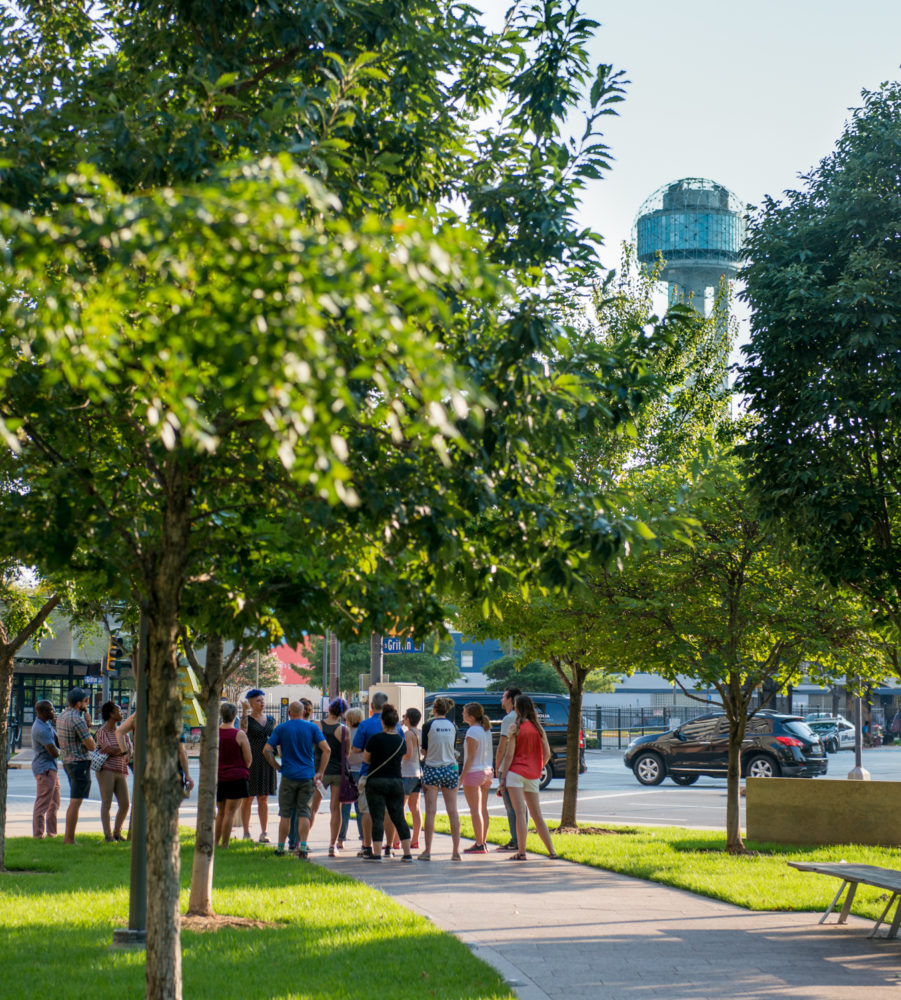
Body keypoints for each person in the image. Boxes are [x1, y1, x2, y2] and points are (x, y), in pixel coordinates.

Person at [264, 700, 330, 859]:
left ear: (289, 713)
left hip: (288, 775)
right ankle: (303, 846)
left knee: (285, 814)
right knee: (304, 813)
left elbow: (266, 750)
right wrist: (320, 771)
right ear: (303, 712)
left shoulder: (281, 728)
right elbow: (327, 749)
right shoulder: (312, 728)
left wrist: (277, 766)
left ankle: (280, 847)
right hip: (307, 776)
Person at [497, 694, 558, 861]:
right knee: (537, 814)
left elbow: (509, 754)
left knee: (519, 813)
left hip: (515, 773)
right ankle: (552, 851)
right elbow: (546, 754)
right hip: (532, 774)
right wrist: (538, 767)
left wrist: (502, 777)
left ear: (517, 708)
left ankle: (522, 852)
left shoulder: (515, 727)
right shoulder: (539, 728)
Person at [352, 691, 404, 859]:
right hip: (394, 774)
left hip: (370, 774)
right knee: (390, 811)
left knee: (367, 810)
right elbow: (402, 748)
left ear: (371, 706)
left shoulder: (365, 725)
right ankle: (389, 846)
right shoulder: (397, 727)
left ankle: (367, 845)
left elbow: (356, 749)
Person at [361, 704, 413, 862]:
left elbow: (366, 759)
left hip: (376, 781)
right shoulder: (400, 740)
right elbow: (403, 757)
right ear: (396, 722)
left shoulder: (374, 739)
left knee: (377, 817)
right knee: (398, 817)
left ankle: (376, 853)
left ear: (382, 721)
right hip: (396, 781)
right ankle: (407, 853)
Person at [419, 696, 461, 861]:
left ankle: (428, 850)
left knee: (431, 811)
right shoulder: (452, 726)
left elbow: (424, 750)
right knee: (453, 811)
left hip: (432, 769)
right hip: (450, 769)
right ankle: (456, 851)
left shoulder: (428, 726)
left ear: (434, 710)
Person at [56, 687, 96, 844]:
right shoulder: (77, 719)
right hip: (79, 763)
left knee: (75, 799)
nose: (88, 703)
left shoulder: (62, 716)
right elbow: (91, 745)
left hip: (67, 761)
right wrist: (88, 726)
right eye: (86, 700)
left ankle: (69, 838)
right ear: (79, 703)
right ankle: (69, 839)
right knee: (76, 801)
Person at [239, 689, 276, 843]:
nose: (261, 703)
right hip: (251, 761)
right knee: (248, 798)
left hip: (267, 761)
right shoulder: (246, 719)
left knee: (263, 798)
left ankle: (264, 832)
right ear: (251, 703)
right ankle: (246, 832)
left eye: (262, 700)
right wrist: (244, 711)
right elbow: (243, 730)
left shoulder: (271, 719)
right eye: (258, 701)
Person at [215, 702, 252, 848]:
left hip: (219, 776)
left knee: (221, 812)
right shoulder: (239, 735)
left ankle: (215, 842)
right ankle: (225, 844)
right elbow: (248, 759)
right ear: (234, 716)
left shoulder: (215, 734)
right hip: (236, 776)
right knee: (230, 812)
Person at [95, 701, 132, 842]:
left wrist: (123, 751)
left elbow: (130, 750)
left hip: (121, 770)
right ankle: (108, 835)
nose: (121, 713)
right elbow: (108, 748)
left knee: (125, 804)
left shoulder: (123, 732)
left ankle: (117, 832)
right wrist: (123, 751)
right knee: (107, 802)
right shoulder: (102, 732)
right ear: (111, 714)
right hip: (106, 770)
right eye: (118, 710)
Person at [459, 702, 493, 854]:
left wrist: (462, 776)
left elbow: (470, 757)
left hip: (474, 772)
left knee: (475, 810)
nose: (462, 714)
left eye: (464, 712)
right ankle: (483, 842)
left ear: (471, 717)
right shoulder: (486, 730)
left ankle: (479, 843)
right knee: (483, 809)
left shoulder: (472, 731)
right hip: (487, 771)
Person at [494, 686, 521, 852]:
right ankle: (520, 839)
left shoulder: (508, 719)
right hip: (523, 766)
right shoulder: (524, 718)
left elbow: (502, 745)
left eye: (504, 697)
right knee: (521, 806)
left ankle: (515, 840)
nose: (501, 700)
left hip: (509, 767)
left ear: (510, 699)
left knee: (511, 807)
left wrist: (498, 767)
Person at [30, 699, 60, 839]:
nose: (52, 712)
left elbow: (58, 741)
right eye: (50, 710)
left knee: (54, 802)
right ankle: (38, 835)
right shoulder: (40, 728)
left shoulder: (47, 724)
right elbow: (54, 751)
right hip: (45, 768)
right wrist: (66, 753)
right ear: (41, 712)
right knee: (42, 804)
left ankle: (52, 833)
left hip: (51, 767)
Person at [337, 707, 364, 849]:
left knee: (345, 807)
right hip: (361, 770)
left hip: (347, 771)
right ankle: (364, 838)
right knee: (361, 808)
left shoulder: (344, 733)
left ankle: (341, 838)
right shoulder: (363, 733)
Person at [401, 707, 423, 849]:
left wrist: (398, 755)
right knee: (415, 808)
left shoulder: (408, 734)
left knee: (400, 808)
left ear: (408, 719)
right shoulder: (420, 732)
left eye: (404, 716)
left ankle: (398, 839)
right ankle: (415, 839)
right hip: (418, 772)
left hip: (407, 772)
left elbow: (408, 754)